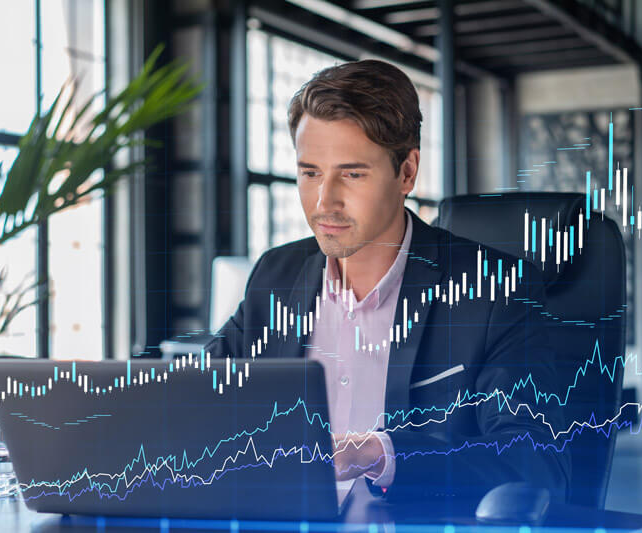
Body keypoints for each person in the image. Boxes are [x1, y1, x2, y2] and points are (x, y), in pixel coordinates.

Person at [204, 59, 571, 502]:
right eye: (310, 172)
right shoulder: (275, 276)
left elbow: (536, 459)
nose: (325, 201)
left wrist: (380, 455)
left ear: (407, 173)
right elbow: (196, 399)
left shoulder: (495, 290)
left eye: (352, 174)